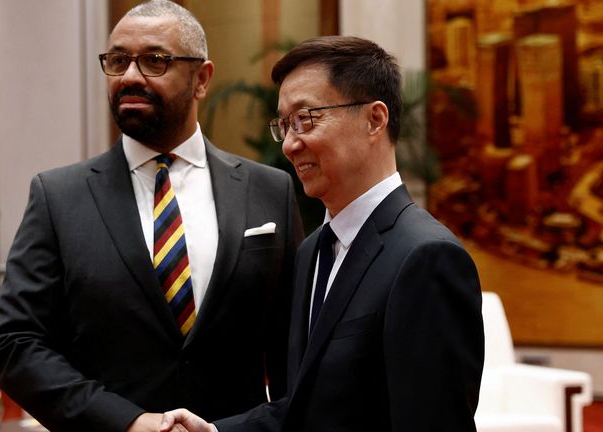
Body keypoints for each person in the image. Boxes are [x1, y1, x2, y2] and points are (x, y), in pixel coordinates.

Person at [0, 1, 303, 431]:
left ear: (202, 78)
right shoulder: (58, 197)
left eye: (155, 60)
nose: (131, 76)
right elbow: (17, 347)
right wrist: (130, 423)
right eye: (118, 61)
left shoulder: (269, 190)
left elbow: (294, 348)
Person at [160, 35, 484, 431]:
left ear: (375, 119)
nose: (290, 144)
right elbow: (302, 407)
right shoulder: (312, 250)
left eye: (306, 119)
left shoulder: (426, 257)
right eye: (285, 125)